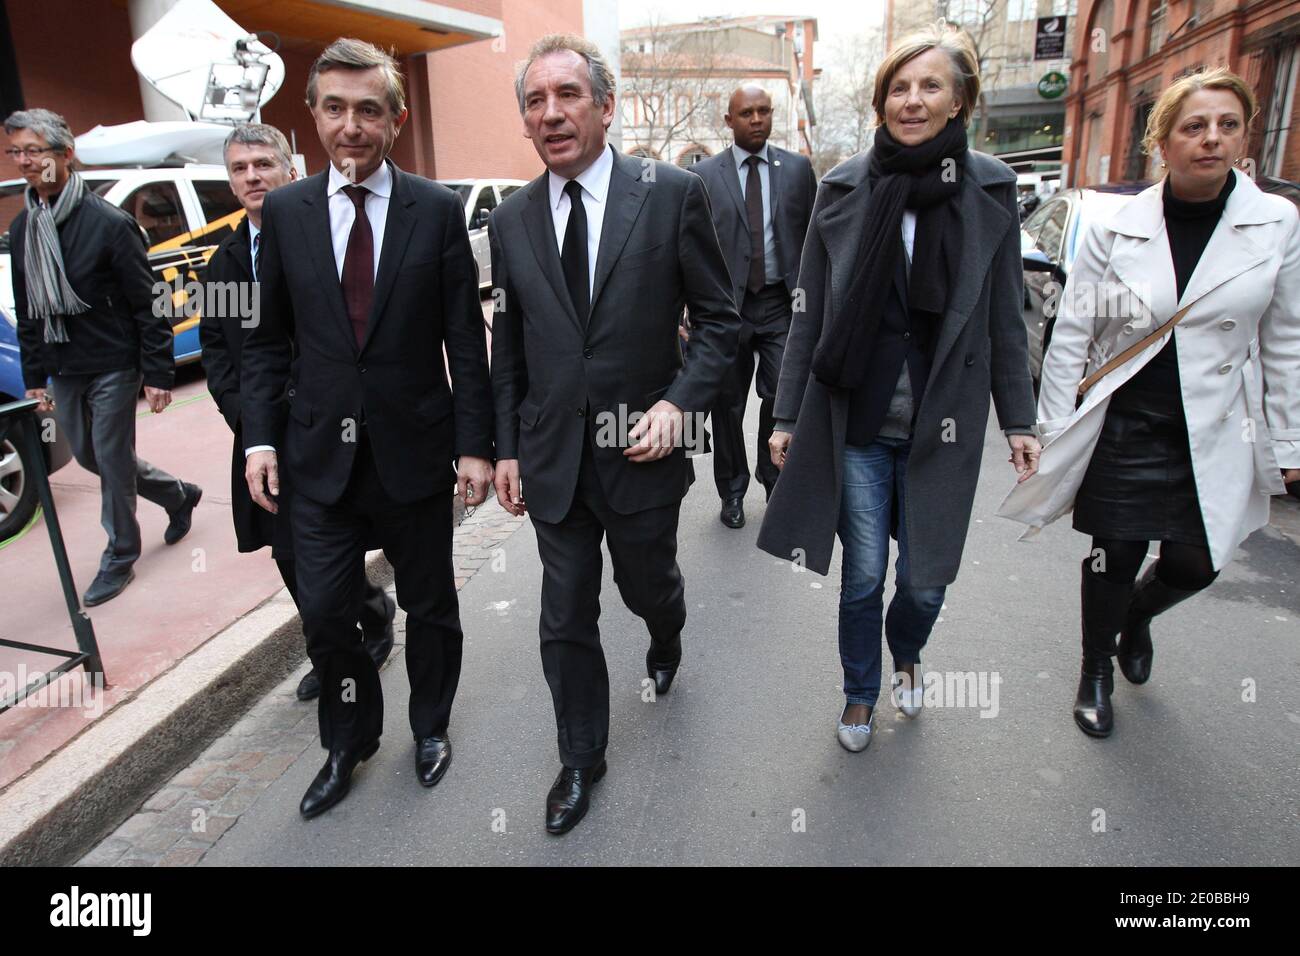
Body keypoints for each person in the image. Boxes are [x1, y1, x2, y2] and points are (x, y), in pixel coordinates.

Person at [755, 26, 1040, 753]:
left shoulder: (990, 190)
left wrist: (1020, 422)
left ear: (959, 101)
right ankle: (859, 694)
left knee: (922, 583)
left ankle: (906, 650)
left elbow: (1007, 316)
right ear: (882, 102)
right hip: (860, 422)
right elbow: (808, 309)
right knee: (863, 576)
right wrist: (785, 414)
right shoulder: (846, 186)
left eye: (930, 86)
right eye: (898, 88)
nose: (912, 100)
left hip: (942, 426)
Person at [999, 68, 1300, 738]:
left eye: (1227, 125)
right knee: (1115, 551)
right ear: (1163, 143)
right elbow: (1074, 328)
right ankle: (1094, 670)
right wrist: (1046, 427)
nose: (1211, 139)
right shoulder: (1120, 224)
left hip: (1219, 423)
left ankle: (1138, 615)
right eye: (1194, 127)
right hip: (1130, 420)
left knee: (1198, 560)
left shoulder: (1276, 223)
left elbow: (1287, 340)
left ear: (1245, 135)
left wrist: (1290, 442)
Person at [490, 34, 740, 834]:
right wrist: (503, 447)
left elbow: (721, 322)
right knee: (563, 616)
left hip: (642, 450)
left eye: (567, 95)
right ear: (526, 120)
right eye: (536, 101)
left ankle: (667, 631)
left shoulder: (669, 193)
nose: (552, 113)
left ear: (605, 105)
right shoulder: (512, 217)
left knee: (645, 588)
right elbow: (510, 344)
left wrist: (679, 406)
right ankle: (579, 759)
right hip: (553, 457)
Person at [240, 38, 495, 818]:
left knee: (431, 606)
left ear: (396, 118)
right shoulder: (283, 212)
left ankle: (430, 726)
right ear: (312, 116)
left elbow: (464, 336)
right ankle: (349, 739)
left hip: (413, 449)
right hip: (315, 457)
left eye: (369, 110)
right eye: (336, 108)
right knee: (323, 611)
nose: (352, 125)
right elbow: (263, 340)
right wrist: (258, 437)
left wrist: (476, 445)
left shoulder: (437, 210)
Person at [199, 122, 395, 704]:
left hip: (332, 426)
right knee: (289, 554)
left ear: (290, 168)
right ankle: (332, 645)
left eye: (263, 164)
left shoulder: (326, 233)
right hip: (265, 437)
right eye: (239, 168)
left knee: (333, 544)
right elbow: (218, 351)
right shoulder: (226, 263)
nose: (252, 176)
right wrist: (251, 420)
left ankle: (369, 615)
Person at [5, 108, 201, 607]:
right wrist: (34, 376)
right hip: (65, 365)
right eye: (15, 153)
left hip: (115, 361)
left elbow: (147, 301)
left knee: (111, 460)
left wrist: (157, 371)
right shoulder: (27, 224)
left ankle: (120, 554)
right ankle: (177, 493)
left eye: (33, 151)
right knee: (90, 456)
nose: (24, 162)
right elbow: (28, 308)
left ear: (65, 155)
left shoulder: (109, 223)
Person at [689, 84, 817, 529]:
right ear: (729, 120)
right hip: (726, 310)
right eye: (747, 113)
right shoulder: (705, 175)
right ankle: (732, 490)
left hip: (782, 304)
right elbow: (691, 248)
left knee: (780, 396)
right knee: (727, 406)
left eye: (764, 111)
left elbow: (814, 239)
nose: (757, 119)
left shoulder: (798, 170)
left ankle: (772, 477)